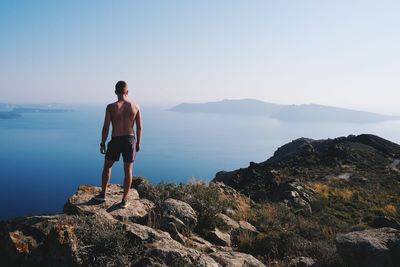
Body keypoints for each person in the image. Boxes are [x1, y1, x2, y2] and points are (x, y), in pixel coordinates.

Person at [93, 80, 142, 208]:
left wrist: (102, 143)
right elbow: (139, 128)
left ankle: (103, 194)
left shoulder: (111, 107)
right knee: (128, 170)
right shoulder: (136, 106)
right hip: (129, 140)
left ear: (115, 92)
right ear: (127, 92)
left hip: (115, 140)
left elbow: (106, 127)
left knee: (107, 166)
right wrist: (138, 143)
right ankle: (124, 200)